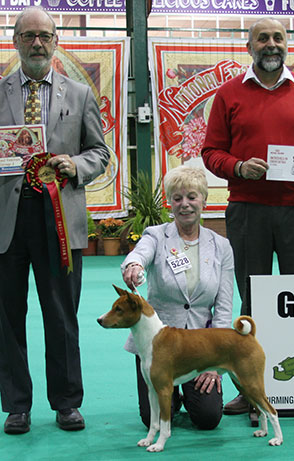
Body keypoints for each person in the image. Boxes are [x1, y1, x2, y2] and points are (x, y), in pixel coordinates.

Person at [0, 6, 109, 434]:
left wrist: (73, 165)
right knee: (7, 317)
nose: (37, 43)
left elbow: (100, 153)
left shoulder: (79, 95)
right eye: (28, 36)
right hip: (8, 220)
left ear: (56, 40)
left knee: (62, 315)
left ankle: (66, 402)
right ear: (15, 42)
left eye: (44, 35)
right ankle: (17, 406)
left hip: (60, 218)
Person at [202, 17, 294, 415]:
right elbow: (211, 152)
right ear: (249, 46)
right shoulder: (228, 94)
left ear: (287, 44)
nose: (272, 44)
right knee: (249, 300)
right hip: (247, 211)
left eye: (278, 37)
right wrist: (239, 167)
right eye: (263, 38)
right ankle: (249, 387)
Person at [121, 165, 234, 430]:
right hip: (157, 343)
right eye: (177, 198)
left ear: (204, 201)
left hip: (199, 346)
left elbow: (224, 307)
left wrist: (215, 363)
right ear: (169, 203)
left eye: (192, 197)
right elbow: (140, 254)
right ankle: (172, 398)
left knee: (208, 419)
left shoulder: (221, 246)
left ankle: (187, 393)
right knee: (156, 418)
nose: (185, 204)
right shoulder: (156, 236)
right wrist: (133, 267)